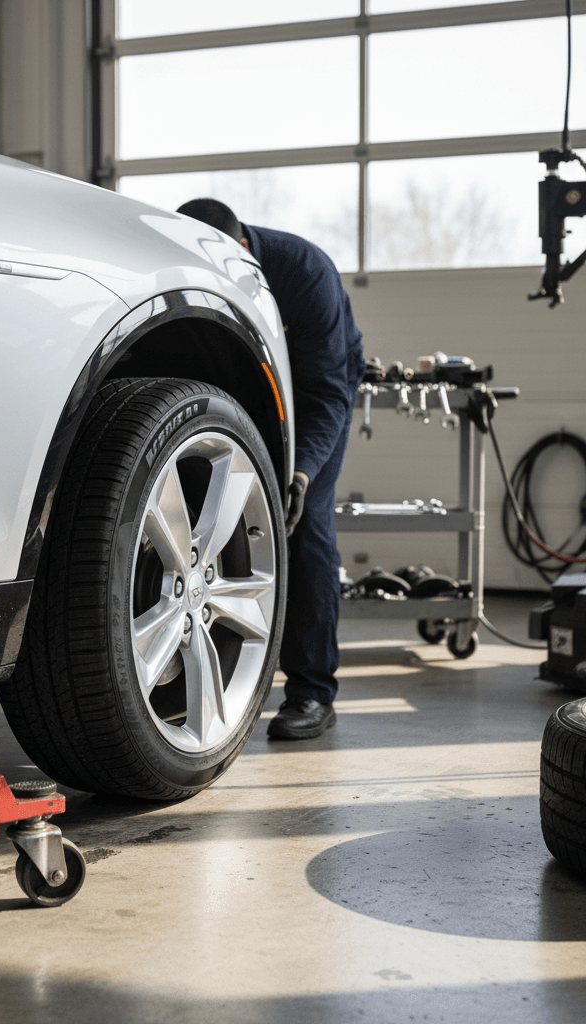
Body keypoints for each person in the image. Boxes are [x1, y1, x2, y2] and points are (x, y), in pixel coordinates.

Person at [176, 198, 366, 739]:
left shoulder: (305, 275)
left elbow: (327, 394)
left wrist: (300, 472)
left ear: (240, 251)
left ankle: (312, 692)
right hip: (235, 389)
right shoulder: (185, 263)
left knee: (306, 526)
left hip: (313, 392)